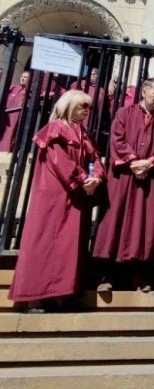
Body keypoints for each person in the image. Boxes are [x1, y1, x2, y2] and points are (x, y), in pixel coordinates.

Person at [8, 90, 105, 311]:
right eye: (82, 106)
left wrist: (97, 177)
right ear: (68, 105)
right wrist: (83, 180)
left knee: (67, 246)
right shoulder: (55, 129)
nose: (86, 111)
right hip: (55, 195)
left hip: (76, 196)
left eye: (88, 107)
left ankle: (60, 293)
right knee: (45, 242)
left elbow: (95, 158)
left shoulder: (83, 132)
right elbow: (60, 160)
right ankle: (35, 296)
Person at [92, 78, 154, 291]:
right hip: (123, 178)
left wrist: (150, 163)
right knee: (115, 222)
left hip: (152, 180)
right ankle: (107, 276)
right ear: (144, 91)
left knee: (146, 226)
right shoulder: (124, 113)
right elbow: (117, 140)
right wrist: (133, 162)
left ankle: (140, 275)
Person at [0, 70, 30, 152]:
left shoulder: (29, 92)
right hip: (5, 118)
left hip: (16, 120)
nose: (23, 79)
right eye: (22, 77)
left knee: (10, 138)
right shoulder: (13, 88)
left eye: (25, 77)